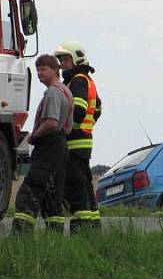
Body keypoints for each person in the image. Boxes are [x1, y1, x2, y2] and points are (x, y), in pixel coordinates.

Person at [12, 55, 73, 233]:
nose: (39, 73)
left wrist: (34, 136)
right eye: (38, 69)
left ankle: (20, 236)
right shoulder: (67, 92)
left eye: (44, 69)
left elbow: (52, 122)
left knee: (28, 193)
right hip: (61, 147)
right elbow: (68, 128)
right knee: (53, 196)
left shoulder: (53, 92)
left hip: (48, 147)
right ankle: (55, 236)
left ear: (55, 70)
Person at [54, 41, 103, 233]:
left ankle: (80, 227)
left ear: (76, 59)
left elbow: (79, 111)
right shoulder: (86, 80)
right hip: (83, 141)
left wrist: (67, 127)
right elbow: (97, 109)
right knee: (84, 184)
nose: (61, 64)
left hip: (74, 142)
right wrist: (87, 127)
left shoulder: (77, 81)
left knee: (75, 186)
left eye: (64, 59)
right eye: (59, 60)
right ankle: (93, 225)